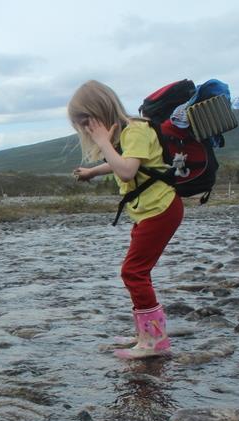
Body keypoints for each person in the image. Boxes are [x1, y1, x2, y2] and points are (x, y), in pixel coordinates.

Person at [68, 80, 184, 359]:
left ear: (98, 111)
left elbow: (127, 171)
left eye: (85, 121)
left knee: (133, 272)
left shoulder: (135, 130)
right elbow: (126, 162)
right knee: (135, 271)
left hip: (160, 210)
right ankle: (146, 333)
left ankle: (154, 339)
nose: (84, 128)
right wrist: (92, 171)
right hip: (148, 211)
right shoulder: (128, 133)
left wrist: (103, 142)